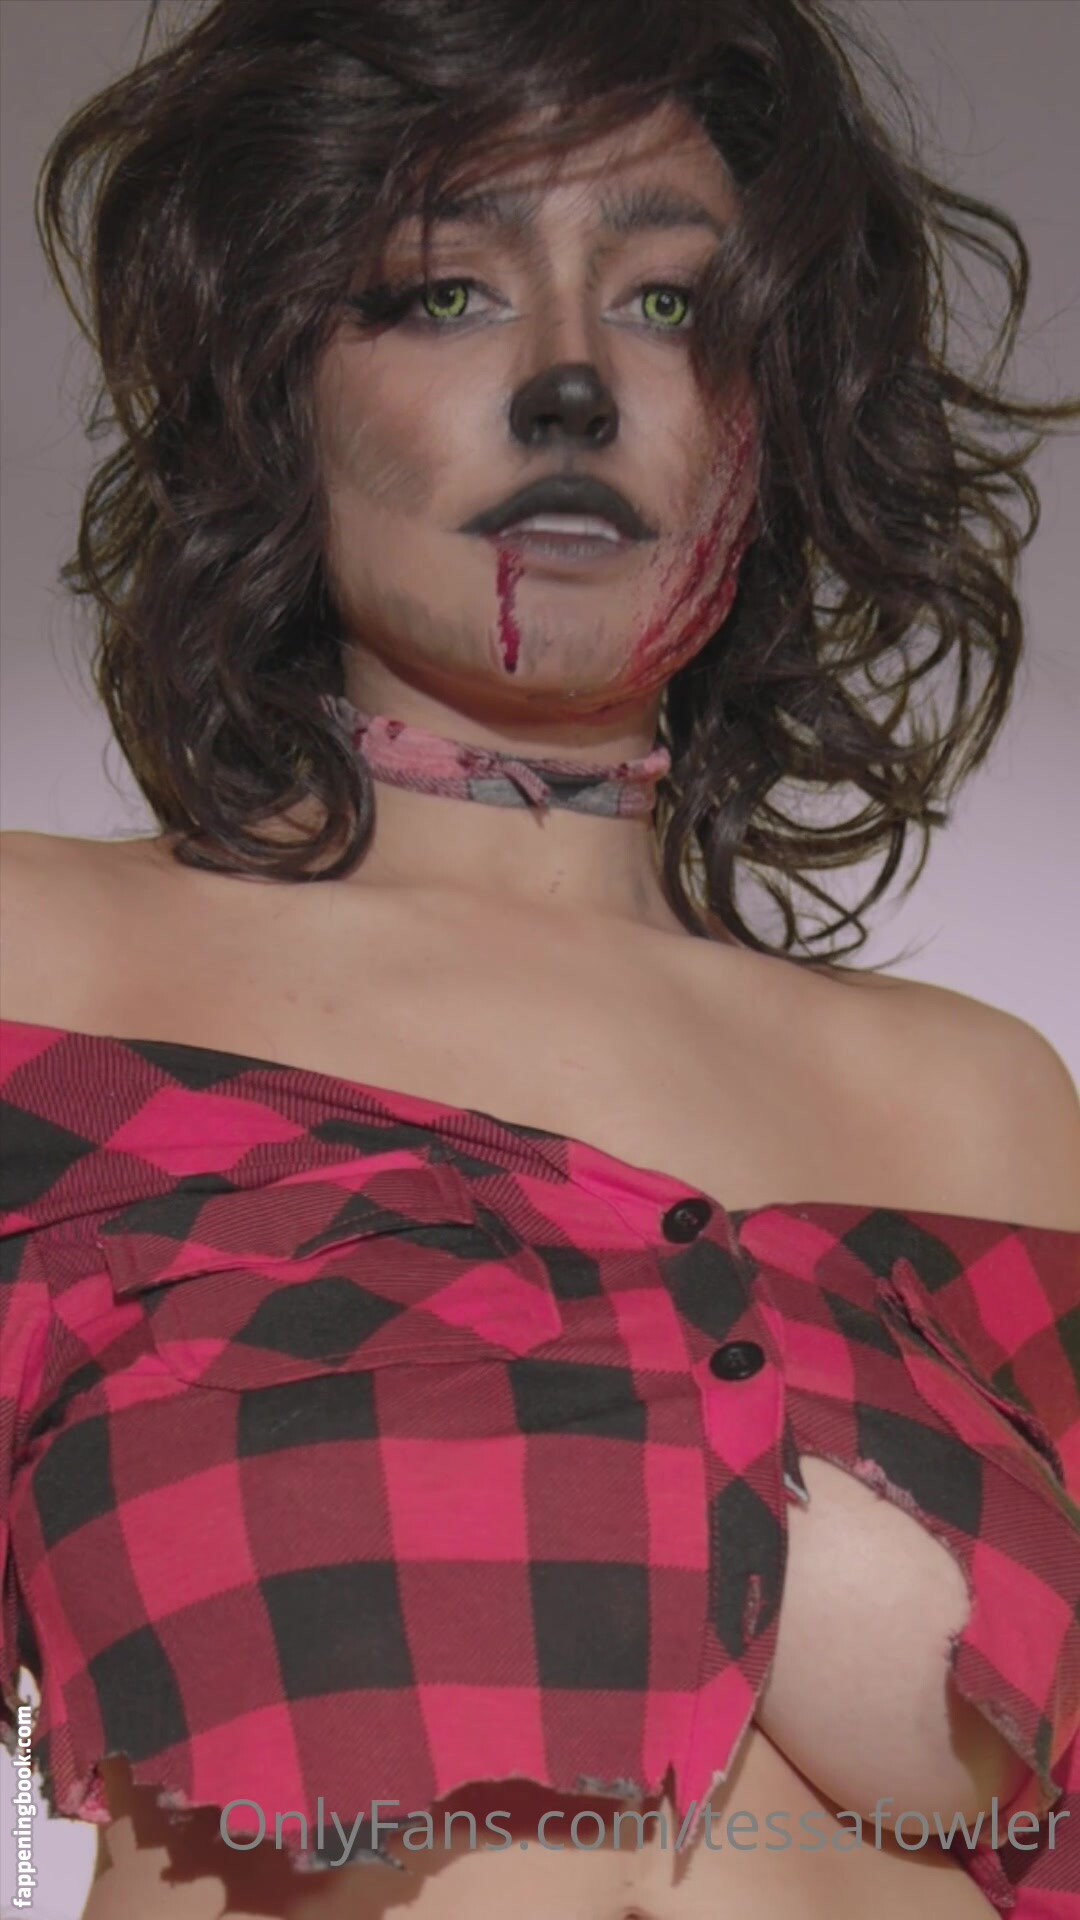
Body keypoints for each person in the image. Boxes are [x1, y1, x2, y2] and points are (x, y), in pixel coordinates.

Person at [1, 0, 1078, 1916]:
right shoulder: (48, 973)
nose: (573, 381)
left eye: (671, 303)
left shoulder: (974, 1100)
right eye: (445, 291)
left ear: (774, 416)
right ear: (275, 390)